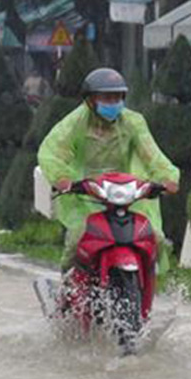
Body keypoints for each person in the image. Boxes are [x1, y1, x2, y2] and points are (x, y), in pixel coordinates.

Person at [37, 68, 179, 272]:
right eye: (106, 97)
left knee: (154, 236)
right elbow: (51, 152)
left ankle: (147, 285)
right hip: (87, 194)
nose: (113, 103)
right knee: (78, 237)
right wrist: (63, 179)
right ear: (90, 100)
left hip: (125, 191)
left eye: (117, 97)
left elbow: (153, 155)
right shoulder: (75, 123)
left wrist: (167, 178)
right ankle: (67, 285)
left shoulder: (133, 122)